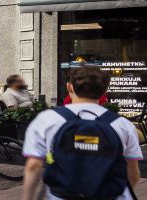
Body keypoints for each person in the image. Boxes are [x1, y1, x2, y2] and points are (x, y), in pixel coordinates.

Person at [23, 65, 140, 200]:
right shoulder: (123, 125)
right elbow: (133, 174)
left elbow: (33, 165)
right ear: (105, 91)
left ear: (69, 87)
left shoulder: (47, 119)